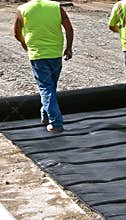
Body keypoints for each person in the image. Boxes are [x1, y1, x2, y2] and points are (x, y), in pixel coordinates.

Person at [14, 0, 73, 132]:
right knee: (50, 87)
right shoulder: (56, 7)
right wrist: (68, 48)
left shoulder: (22, 9)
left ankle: (56, 123)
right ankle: (45, 115)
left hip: (38, 55)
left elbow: (17, 33)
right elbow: (69, 28)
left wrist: (25, 44)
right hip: (55, 54)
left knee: (46, 88)